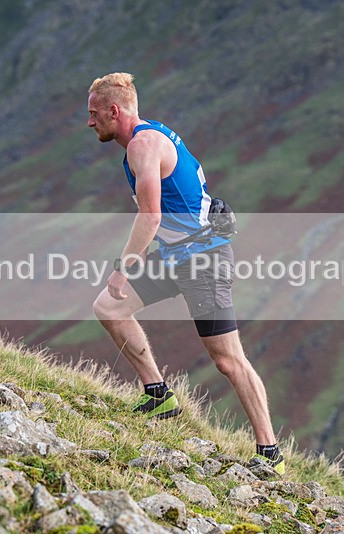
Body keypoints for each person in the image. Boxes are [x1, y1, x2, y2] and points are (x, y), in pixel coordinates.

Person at [87, 72, 284, 474]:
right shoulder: (148, 137)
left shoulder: (143, 144)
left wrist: (124, 269)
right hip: (175, 256)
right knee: (109, 307)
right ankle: (158, 394)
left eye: (94, 114)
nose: (90, 123)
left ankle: (270, 454)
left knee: (228, 361)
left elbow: (151, 214)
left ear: (114, 110)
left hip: (204, 261)